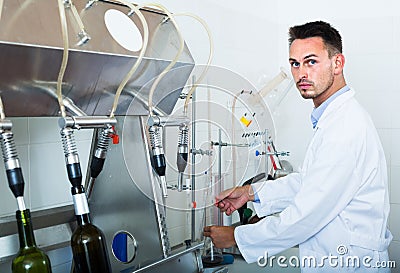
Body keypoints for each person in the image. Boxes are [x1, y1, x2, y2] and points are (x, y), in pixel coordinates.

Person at [203, 21, 392, 272]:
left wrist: (237, 236)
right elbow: (310, 183)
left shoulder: (345, 128)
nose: (301, 73)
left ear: (337, 63)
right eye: (295, 63)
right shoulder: (334, 119)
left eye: (311, 61)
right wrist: (251, 193)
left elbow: (307, 215)